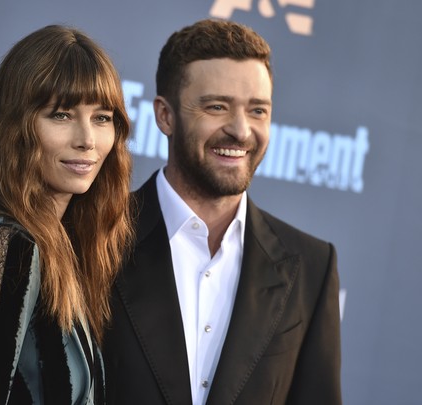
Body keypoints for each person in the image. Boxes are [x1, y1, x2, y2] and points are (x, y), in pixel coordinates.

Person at [103, 19, 342, 405]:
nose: (241, 131)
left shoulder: (310, 266)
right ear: (165, 116)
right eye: (217, 107)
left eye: (258, 111)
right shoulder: (95, 234)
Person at [0, 25, 133, 404]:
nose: (87, 139)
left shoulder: (59, 243)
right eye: (62, 115)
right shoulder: (5, 244)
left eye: (102, 118)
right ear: (16, 128)